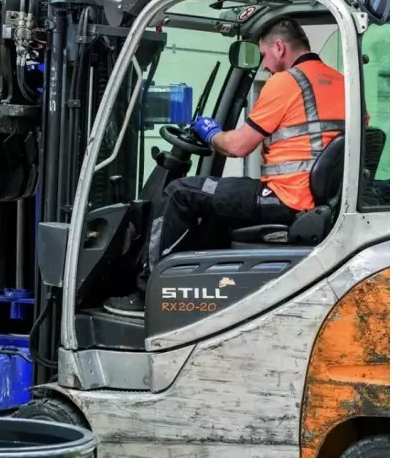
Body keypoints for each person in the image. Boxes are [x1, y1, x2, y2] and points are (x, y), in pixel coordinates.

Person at [104, 17, 347, 317]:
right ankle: (201, 289)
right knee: (216, 207)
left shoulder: (286, 82)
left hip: (287, 198)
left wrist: (210, 133)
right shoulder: (343, 83)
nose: (265, 66)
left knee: (180, 191)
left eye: (264, 56)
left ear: (280, 47)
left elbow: (237, 146)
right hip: (322, 201)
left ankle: (147, 294)